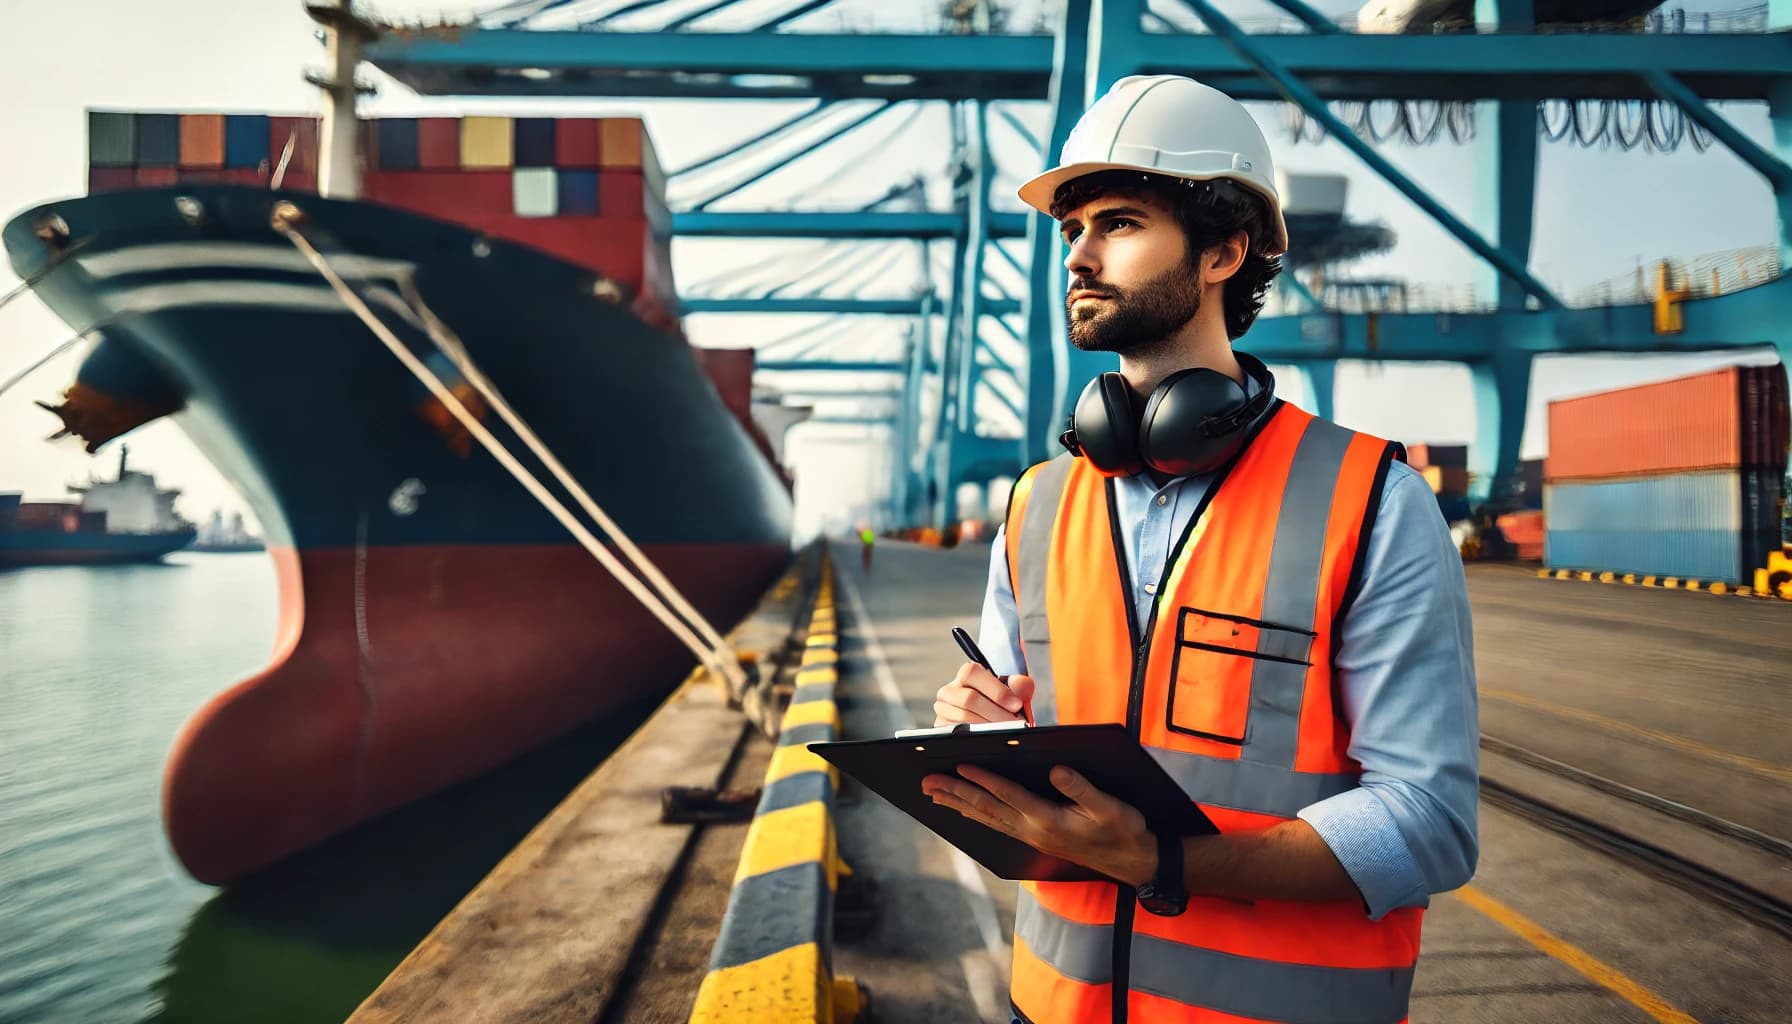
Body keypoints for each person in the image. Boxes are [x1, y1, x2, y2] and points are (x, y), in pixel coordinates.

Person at [923, 75, 1478, 1024]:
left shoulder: (1370, 500)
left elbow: (1429, 826)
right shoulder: (1039, 502)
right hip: (1049, 1005)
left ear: (1224, 251)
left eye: (1119, 223)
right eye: (1072, 231)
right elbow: (1007, 736)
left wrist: (1163, 863)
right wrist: (975, 729)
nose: (1079, 257)